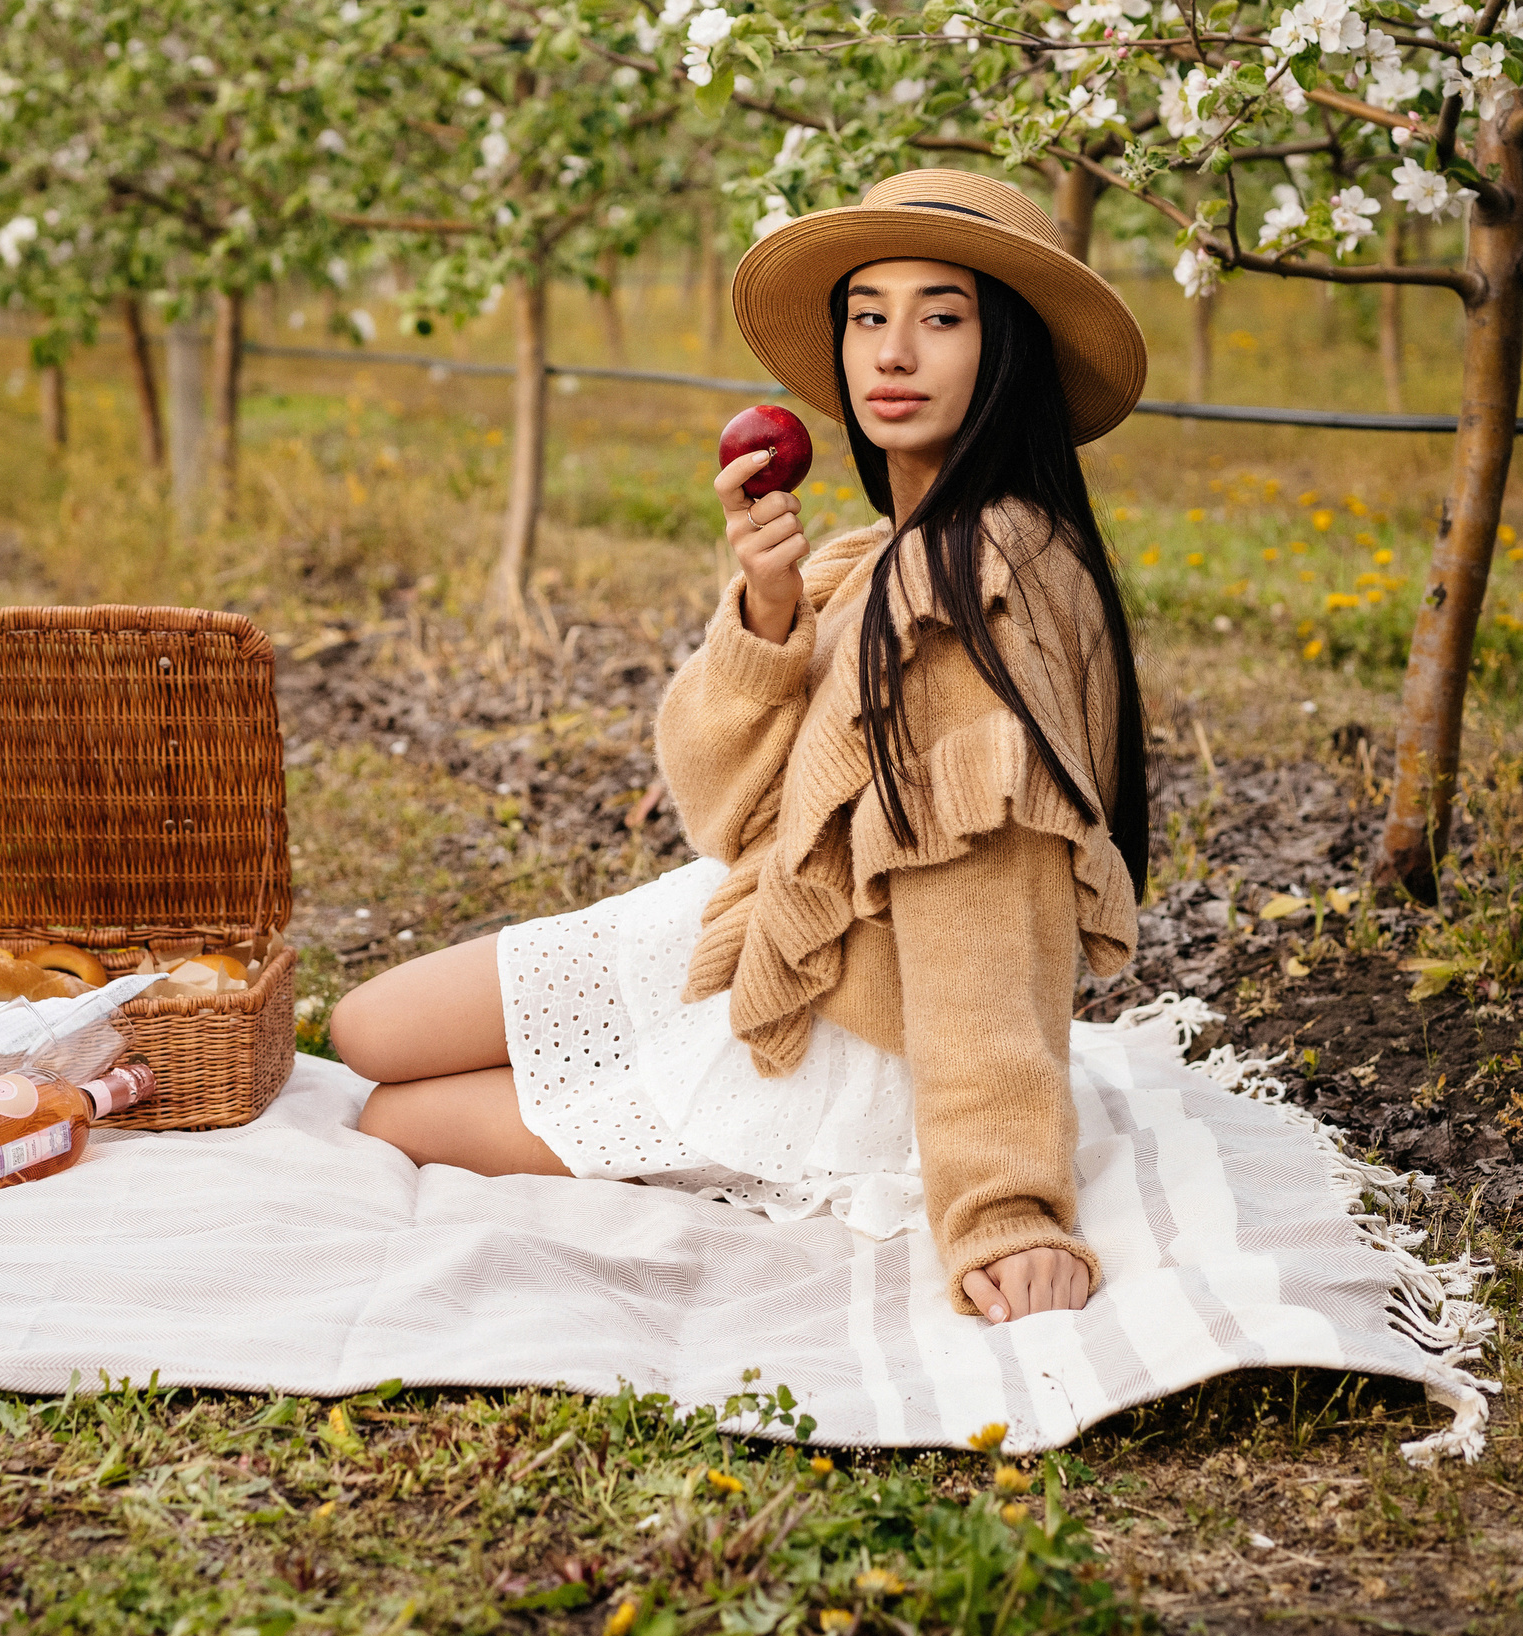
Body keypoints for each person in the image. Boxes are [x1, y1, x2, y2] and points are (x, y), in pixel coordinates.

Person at [328, 169, 1151, 1326]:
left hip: (839, 1026)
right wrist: (768, 618)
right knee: (366, 1029)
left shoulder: (980, 587)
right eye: (868, 314)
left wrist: (1001, 1206)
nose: (893, 353)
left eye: (942, 317)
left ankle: (703, 1109)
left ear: (1004, 349)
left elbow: (987, 913)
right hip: (760, 918)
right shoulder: (884, 553)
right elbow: (724, 809)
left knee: (392, 1118)